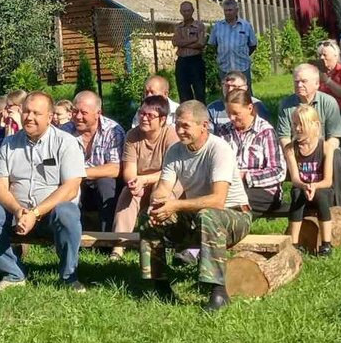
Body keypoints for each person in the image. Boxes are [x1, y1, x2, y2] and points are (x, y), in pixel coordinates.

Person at [142, 101, 252, 311]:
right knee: (149, 218)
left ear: (204, 126)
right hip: (196, 215)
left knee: (208, 215)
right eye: (177, 125)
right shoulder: (175, 151)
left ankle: (218, 291)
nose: (179, 131)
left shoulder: (219, 149)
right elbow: (163, 187)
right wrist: (158, 203)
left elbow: (218, 200)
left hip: (234, 214)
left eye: (185, 126)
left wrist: (175, 204)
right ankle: (159, 285)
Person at [0, 92, 85, 292]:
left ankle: (69, 277)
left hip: (51, 216)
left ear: (50, 117)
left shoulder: (66, 142)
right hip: (16, 214)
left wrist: (35, 213)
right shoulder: (9, 144)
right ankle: (13, 274)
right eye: (26, 112)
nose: (29, 117)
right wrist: (17, 210)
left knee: (67, 212)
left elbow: (71, 188)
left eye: (36, 113)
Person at [112, 95, 180, 257]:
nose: (144, 118)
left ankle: (156, 244)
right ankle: (119, 245)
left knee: (160, 191)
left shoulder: (171, 136)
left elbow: (171, 171)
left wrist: (144, 179)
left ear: (162, 119)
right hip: (141, 180)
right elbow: (129, 168)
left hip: (167, 181)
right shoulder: (132, 135)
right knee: (128, 193)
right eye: (141, 113)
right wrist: (133, 182)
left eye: (150, 115)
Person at [276, 64, 341, 207]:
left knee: (337, 158)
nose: (299, 85)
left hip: (324, 149)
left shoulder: (329, 102)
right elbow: (284, 137)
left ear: (317, 84)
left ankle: (340, 207)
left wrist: (321, 152)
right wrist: (293, 152)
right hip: (296, 150)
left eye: (303, 81)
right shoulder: (286, 105)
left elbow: (334, 137)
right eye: (296, 81)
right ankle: (280, 203)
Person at [218, 91, 285, 217]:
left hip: (263, 190)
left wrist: (245, 176)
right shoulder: (224, 131)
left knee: (228, 202)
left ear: (250, 108)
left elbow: (278, 171)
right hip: (231, 187)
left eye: (236, 113)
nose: (231, 118)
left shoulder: (265, 132)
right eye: (228, 113)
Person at [68, 90, 125, 231]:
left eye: (84, 113)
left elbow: (115, 168)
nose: (78, 116)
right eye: (75, 111)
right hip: (76, 184)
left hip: (104, 186)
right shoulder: (65, 131)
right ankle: (73, 233)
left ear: (98, 113)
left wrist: (80, 173)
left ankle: (107, 236)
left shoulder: (113, 131)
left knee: (105, 182)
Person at [286, 105, 334, 256]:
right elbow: (295, 179)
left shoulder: (326, 147)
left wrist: (314, 186)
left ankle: (326, 244)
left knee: (321, 196)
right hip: (301, 188)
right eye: (295, 124)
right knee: (297, 194)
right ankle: (294, 243)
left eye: (302, 124)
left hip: (321, 188)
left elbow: (328, 180)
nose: (297, 128)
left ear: (315, 125)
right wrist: (305, 186)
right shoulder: (290, 149)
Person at [317, 40, 341, 163]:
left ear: (335, 56)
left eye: (325, 55)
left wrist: (327, 81)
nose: (321, 58)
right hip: (321, 111)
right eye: (319, 55)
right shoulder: (317, 72)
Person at [209, 0, 259, 89]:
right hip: (224, 67)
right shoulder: (217, 27)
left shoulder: (246, 26)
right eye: (225, 10)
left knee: (245, 93)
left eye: (230, 10)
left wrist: (242, 54)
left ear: (236, 10)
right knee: (227, 93)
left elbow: (253, 45)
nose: (228, 13)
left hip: (242, 67)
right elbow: (213, 45)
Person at [207, 71, 271, 134]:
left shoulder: (257, 105)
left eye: (234, 86)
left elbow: (264, 130)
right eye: (227, 86)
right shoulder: (212, 109)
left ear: (245, 88)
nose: (230, 90)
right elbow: (208, 135)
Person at [172, 1, 207, 102]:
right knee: (184, 93)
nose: (186, 13)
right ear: (180, 12)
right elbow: (175, 42)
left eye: (188, 10)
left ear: (192, 11)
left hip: (195, 61)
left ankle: (201, 111)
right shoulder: (178, 27)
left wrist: (182, 44)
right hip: (182, 61)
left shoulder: (199, 26)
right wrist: (193, 40)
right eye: (184, 11)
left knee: (199, 92)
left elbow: (201, 43)